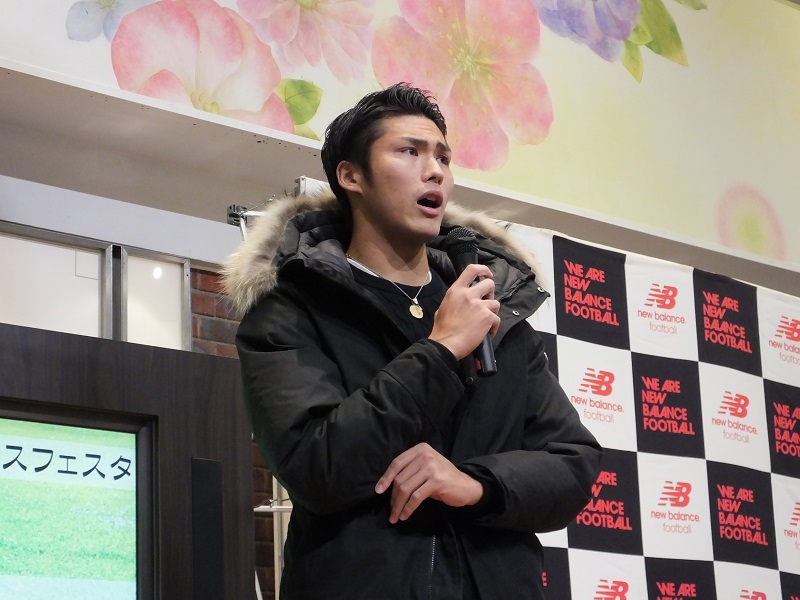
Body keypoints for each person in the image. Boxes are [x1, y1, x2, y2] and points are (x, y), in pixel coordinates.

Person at [223, 83, 602, 600]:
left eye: (443, 157)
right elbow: (316, 467)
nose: (435, 171)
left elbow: (574, 464)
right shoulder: (293, 309)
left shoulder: (493, 311)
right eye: (409, 151)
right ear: (351, 176)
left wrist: (475, 483)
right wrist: (440, 350)